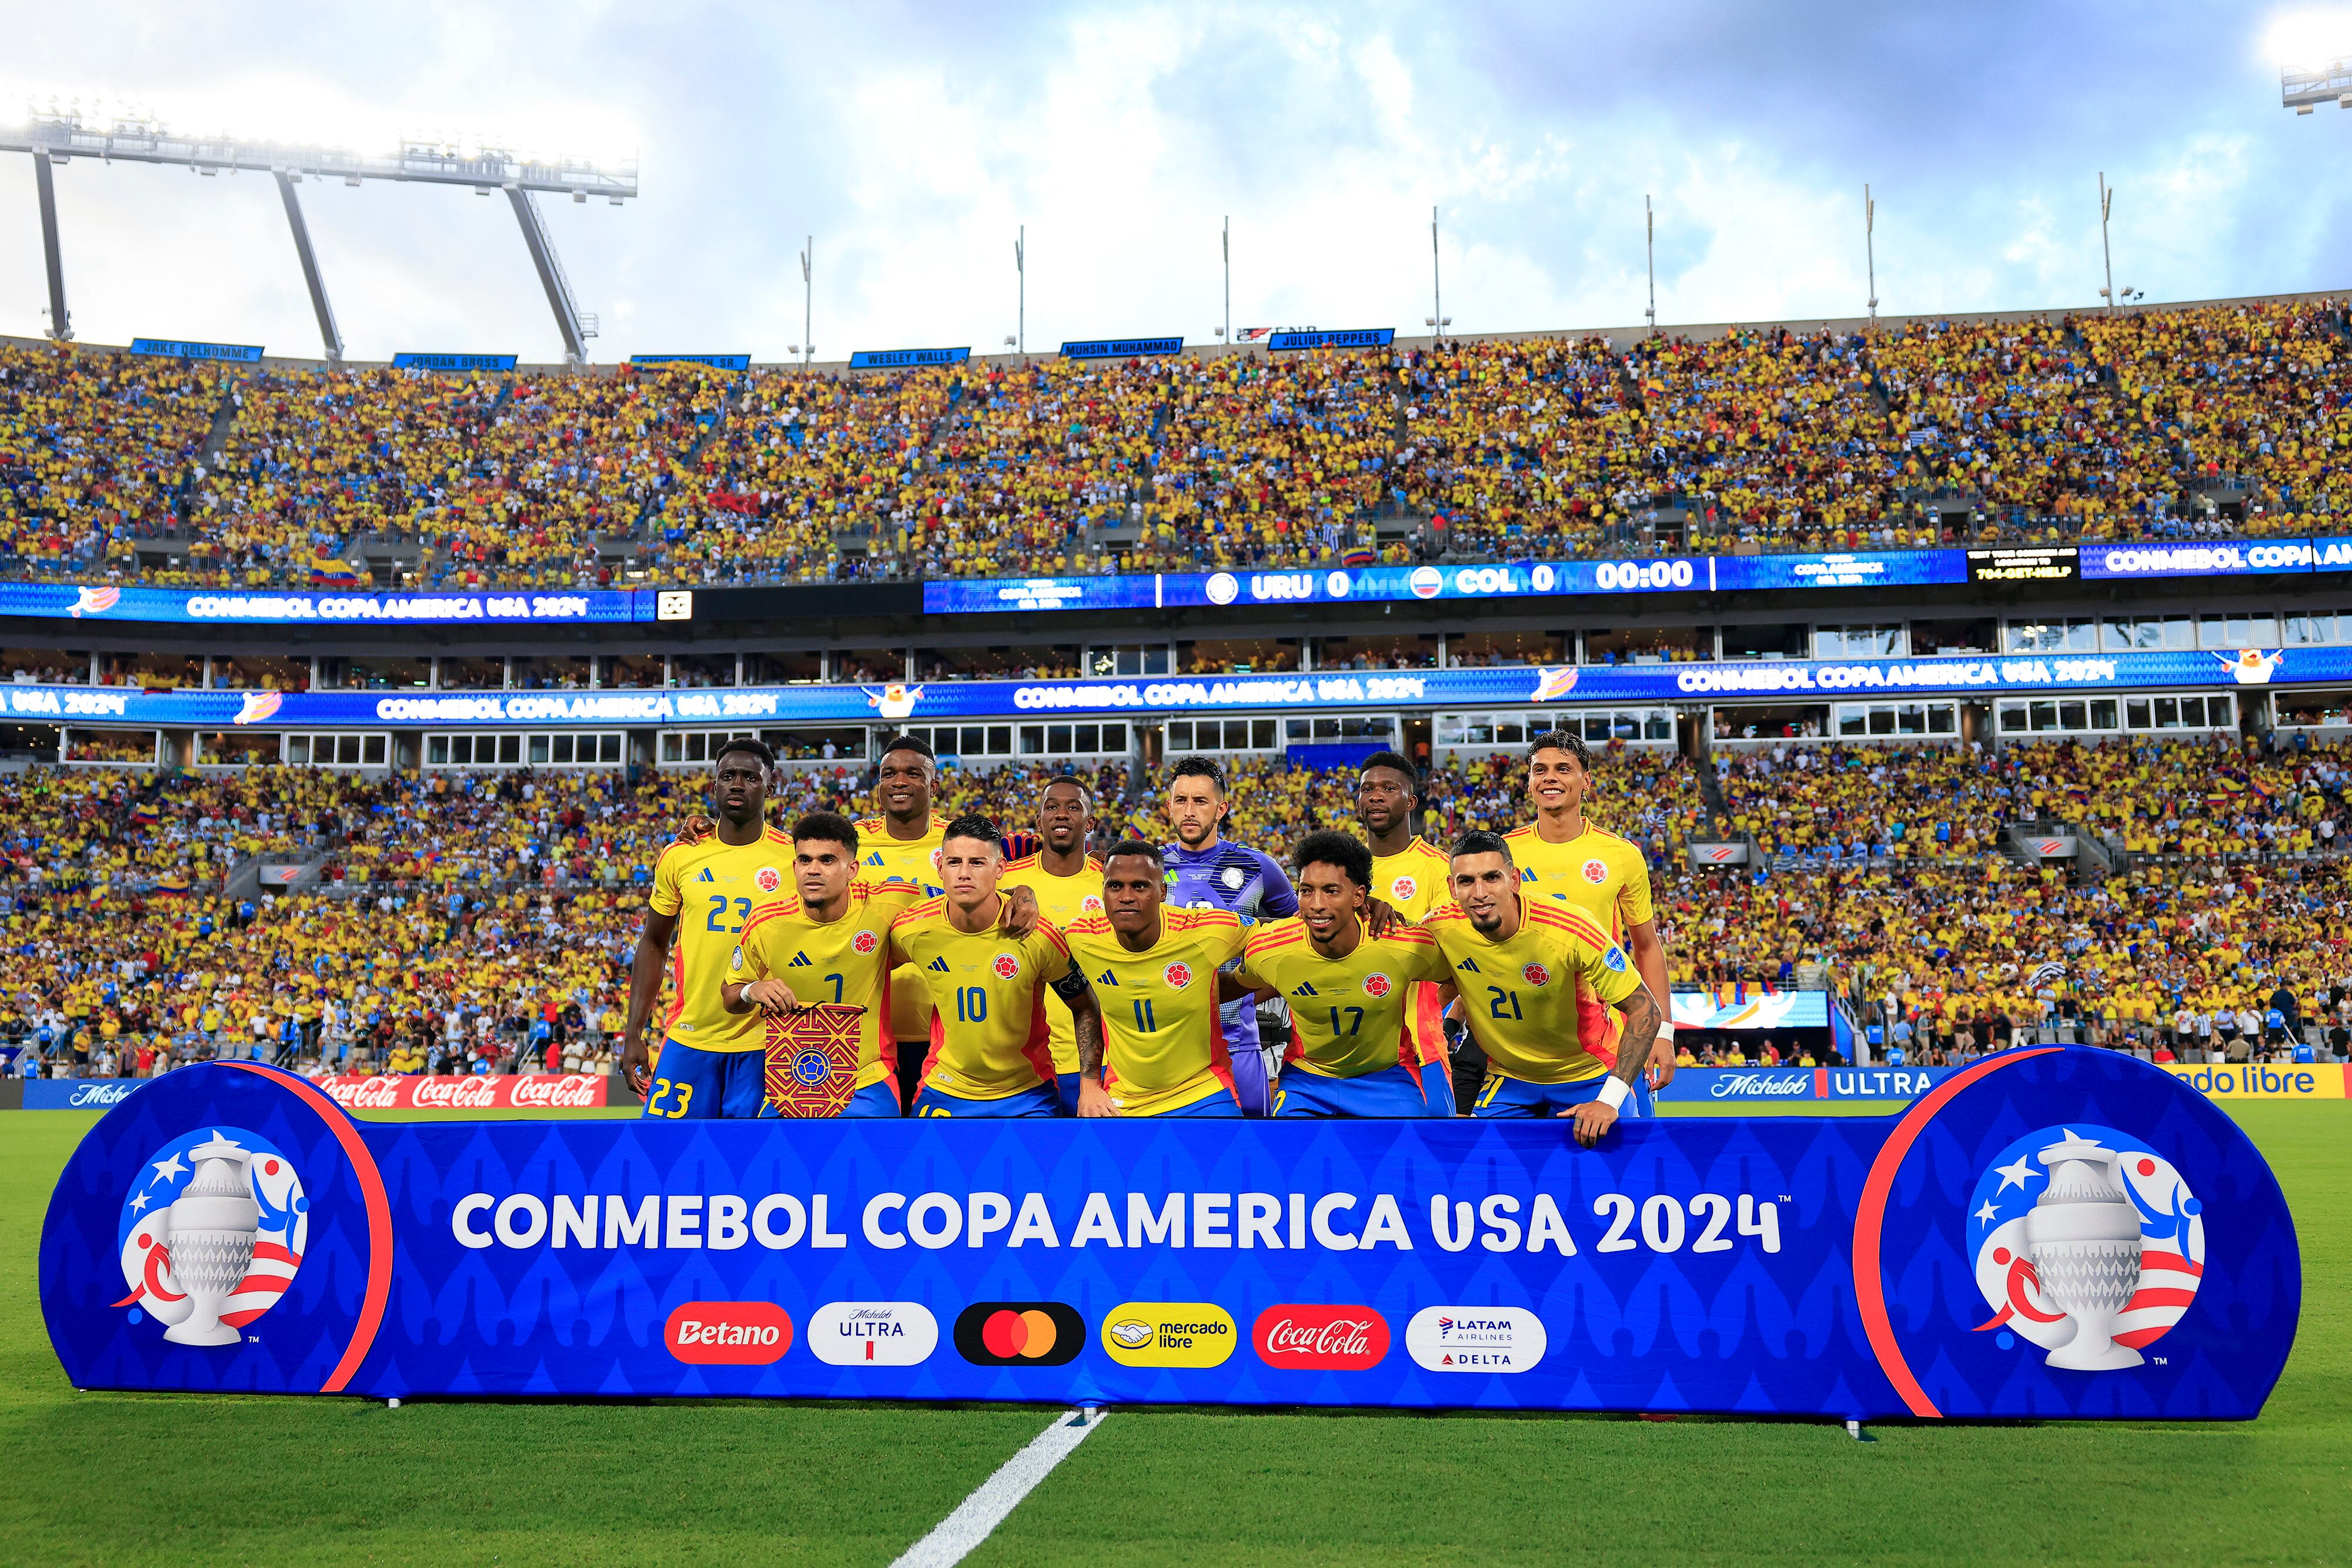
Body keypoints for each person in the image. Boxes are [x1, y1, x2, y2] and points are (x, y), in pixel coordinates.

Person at [1424, 830, 1664, 1143]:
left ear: (1514, 880)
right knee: (1479, 1166)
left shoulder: (1571, 928)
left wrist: (1609, 1100)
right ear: (1452, 888)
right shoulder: (1440, 926)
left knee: (1623, 1170)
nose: (1480, 892)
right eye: (1467, 881)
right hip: (1509, 1078)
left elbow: (1645, 1010)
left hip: (1589, 1072)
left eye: (1492, 878)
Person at [621, 738, 799, 1119]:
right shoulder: (681, 854)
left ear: (770, 788)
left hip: (767, 1041)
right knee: (665, 1162)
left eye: (750, 777)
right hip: (691, 1034)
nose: (737, 784)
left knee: (757, 1170)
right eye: (727, 776)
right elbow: (653, 942)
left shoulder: (796, 858)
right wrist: (633, 1033)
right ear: (713, 785)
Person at [1502, 731, 1676, 1105]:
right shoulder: (1503, 853)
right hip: (1523, 1040)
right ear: (1530, 782)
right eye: (1540, 770)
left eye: (1563, 769)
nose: (1550, 777)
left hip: (1609, 1039)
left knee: (1627, 1157)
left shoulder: (1620, 855)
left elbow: (1646, 947)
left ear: (1587, 782)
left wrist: (1664, 1032)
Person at [1227, 830, 1452, 1116]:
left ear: (1359, 896)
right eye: (1306, 891)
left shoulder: (1403, 945)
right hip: (1307, 1081)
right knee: (1285, 1156)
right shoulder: (1272, 949)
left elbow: (1458, 975)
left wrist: (1438, 1015)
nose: (1316, 904)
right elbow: (1229, 988)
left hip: (1386, 1079)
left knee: (1408, 1159)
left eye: (1331, 891)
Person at [893, 814, 1103, 1117]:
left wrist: (1090, 1084)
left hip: (1026, 1092)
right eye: (954, 862)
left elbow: (1085, 1006)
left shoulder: (1038, 936)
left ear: (1001, 869)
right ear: (940, 868)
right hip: (946, 1087)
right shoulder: (912, 929)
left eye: (977, 863)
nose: (964, 873)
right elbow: (867, 967)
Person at [721, 811, 927, 1116]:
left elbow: (963, 902)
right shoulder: (767, 921)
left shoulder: (888, 902)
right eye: (805, 860)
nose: (813, 870)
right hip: (789, 1083)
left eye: (827, 861)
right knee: (770, 1160)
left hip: (866, 1081)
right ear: (794, 866)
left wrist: (1021, 894)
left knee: (875, 1161)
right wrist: (753, 990)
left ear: (852, 869)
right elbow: (729, 995)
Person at [1063, 840, 1250, 1116]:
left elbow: (1276, 942)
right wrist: (1016, 894)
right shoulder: (1082, 937)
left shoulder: (1206, 931)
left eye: (1140, 886)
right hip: (1125, 1100)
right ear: (1103, 892)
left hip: (1203, 1091)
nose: (1126, 896)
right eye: (1115, 886)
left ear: (1162, 892)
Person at [1161, 755, 1298, 1115]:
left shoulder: (1259, 867)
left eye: (1200, 801)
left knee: (1252, 1152)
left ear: (1221, 808)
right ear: (1169, 806)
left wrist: (1259, 987)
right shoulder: (1147, 868)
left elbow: (1304, 936)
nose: (1190, 811)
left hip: (1238, 1037)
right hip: (1163, 1044)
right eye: (1181, 800)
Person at [1354, 750, 1456, 1113]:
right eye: (1367, 789)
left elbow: (1458, 961)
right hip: (1347, 1046)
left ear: (1411, 801)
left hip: (1419, 1046)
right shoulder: (1341, 871)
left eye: (1388, 788)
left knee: (1431, 1160)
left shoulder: (1438, 870)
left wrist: (1429, 1010)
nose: (1376, 796)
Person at [998, 776, 1106, 1112]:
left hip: (1098, 1060)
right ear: (1038, 821)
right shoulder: (1006, 881)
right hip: (1024, 1062)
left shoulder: (1111, 882)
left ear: (1090, 823)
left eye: (1073, 807)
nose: (1061, 814)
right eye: (1052, 807)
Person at [857, 734, 951, 1112]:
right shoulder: (852, 840)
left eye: (913, 773)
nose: (899, 781)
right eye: (889, 774)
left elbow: (1025, 859)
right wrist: (704, 831)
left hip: (946, 1031)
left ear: (934, 785)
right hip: (860, 1037)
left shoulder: (961, 840)